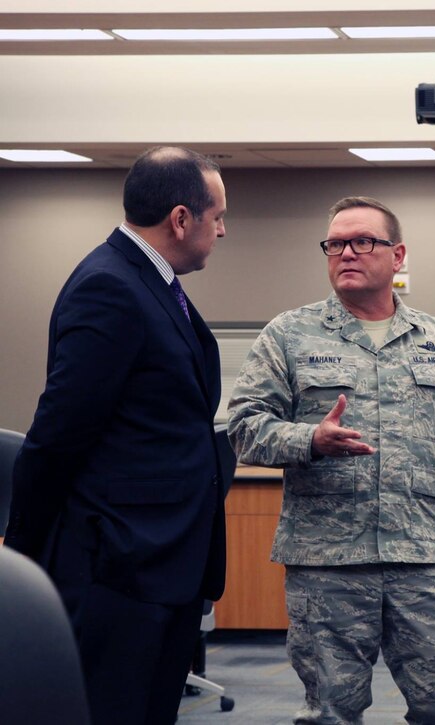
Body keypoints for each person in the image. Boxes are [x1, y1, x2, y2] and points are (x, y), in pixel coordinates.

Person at [228, 195, 435, 725]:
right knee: (330, 714)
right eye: (335, 244)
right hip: (327, 563)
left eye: (363, 241)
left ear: (398, 256)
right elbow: (245, 428)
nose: (346, 252)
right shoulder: (289, 335)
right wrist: (309, 439)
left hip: (422, 558)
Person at [5, 146, 229, 724]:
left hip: (163, 559)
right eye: (218, 216)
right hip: (122, 563)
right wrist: (22, 550)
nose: (222, 231)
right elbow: (59, 431)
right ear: (181, 219)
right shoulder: (109, 286)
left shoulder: (151, 284)